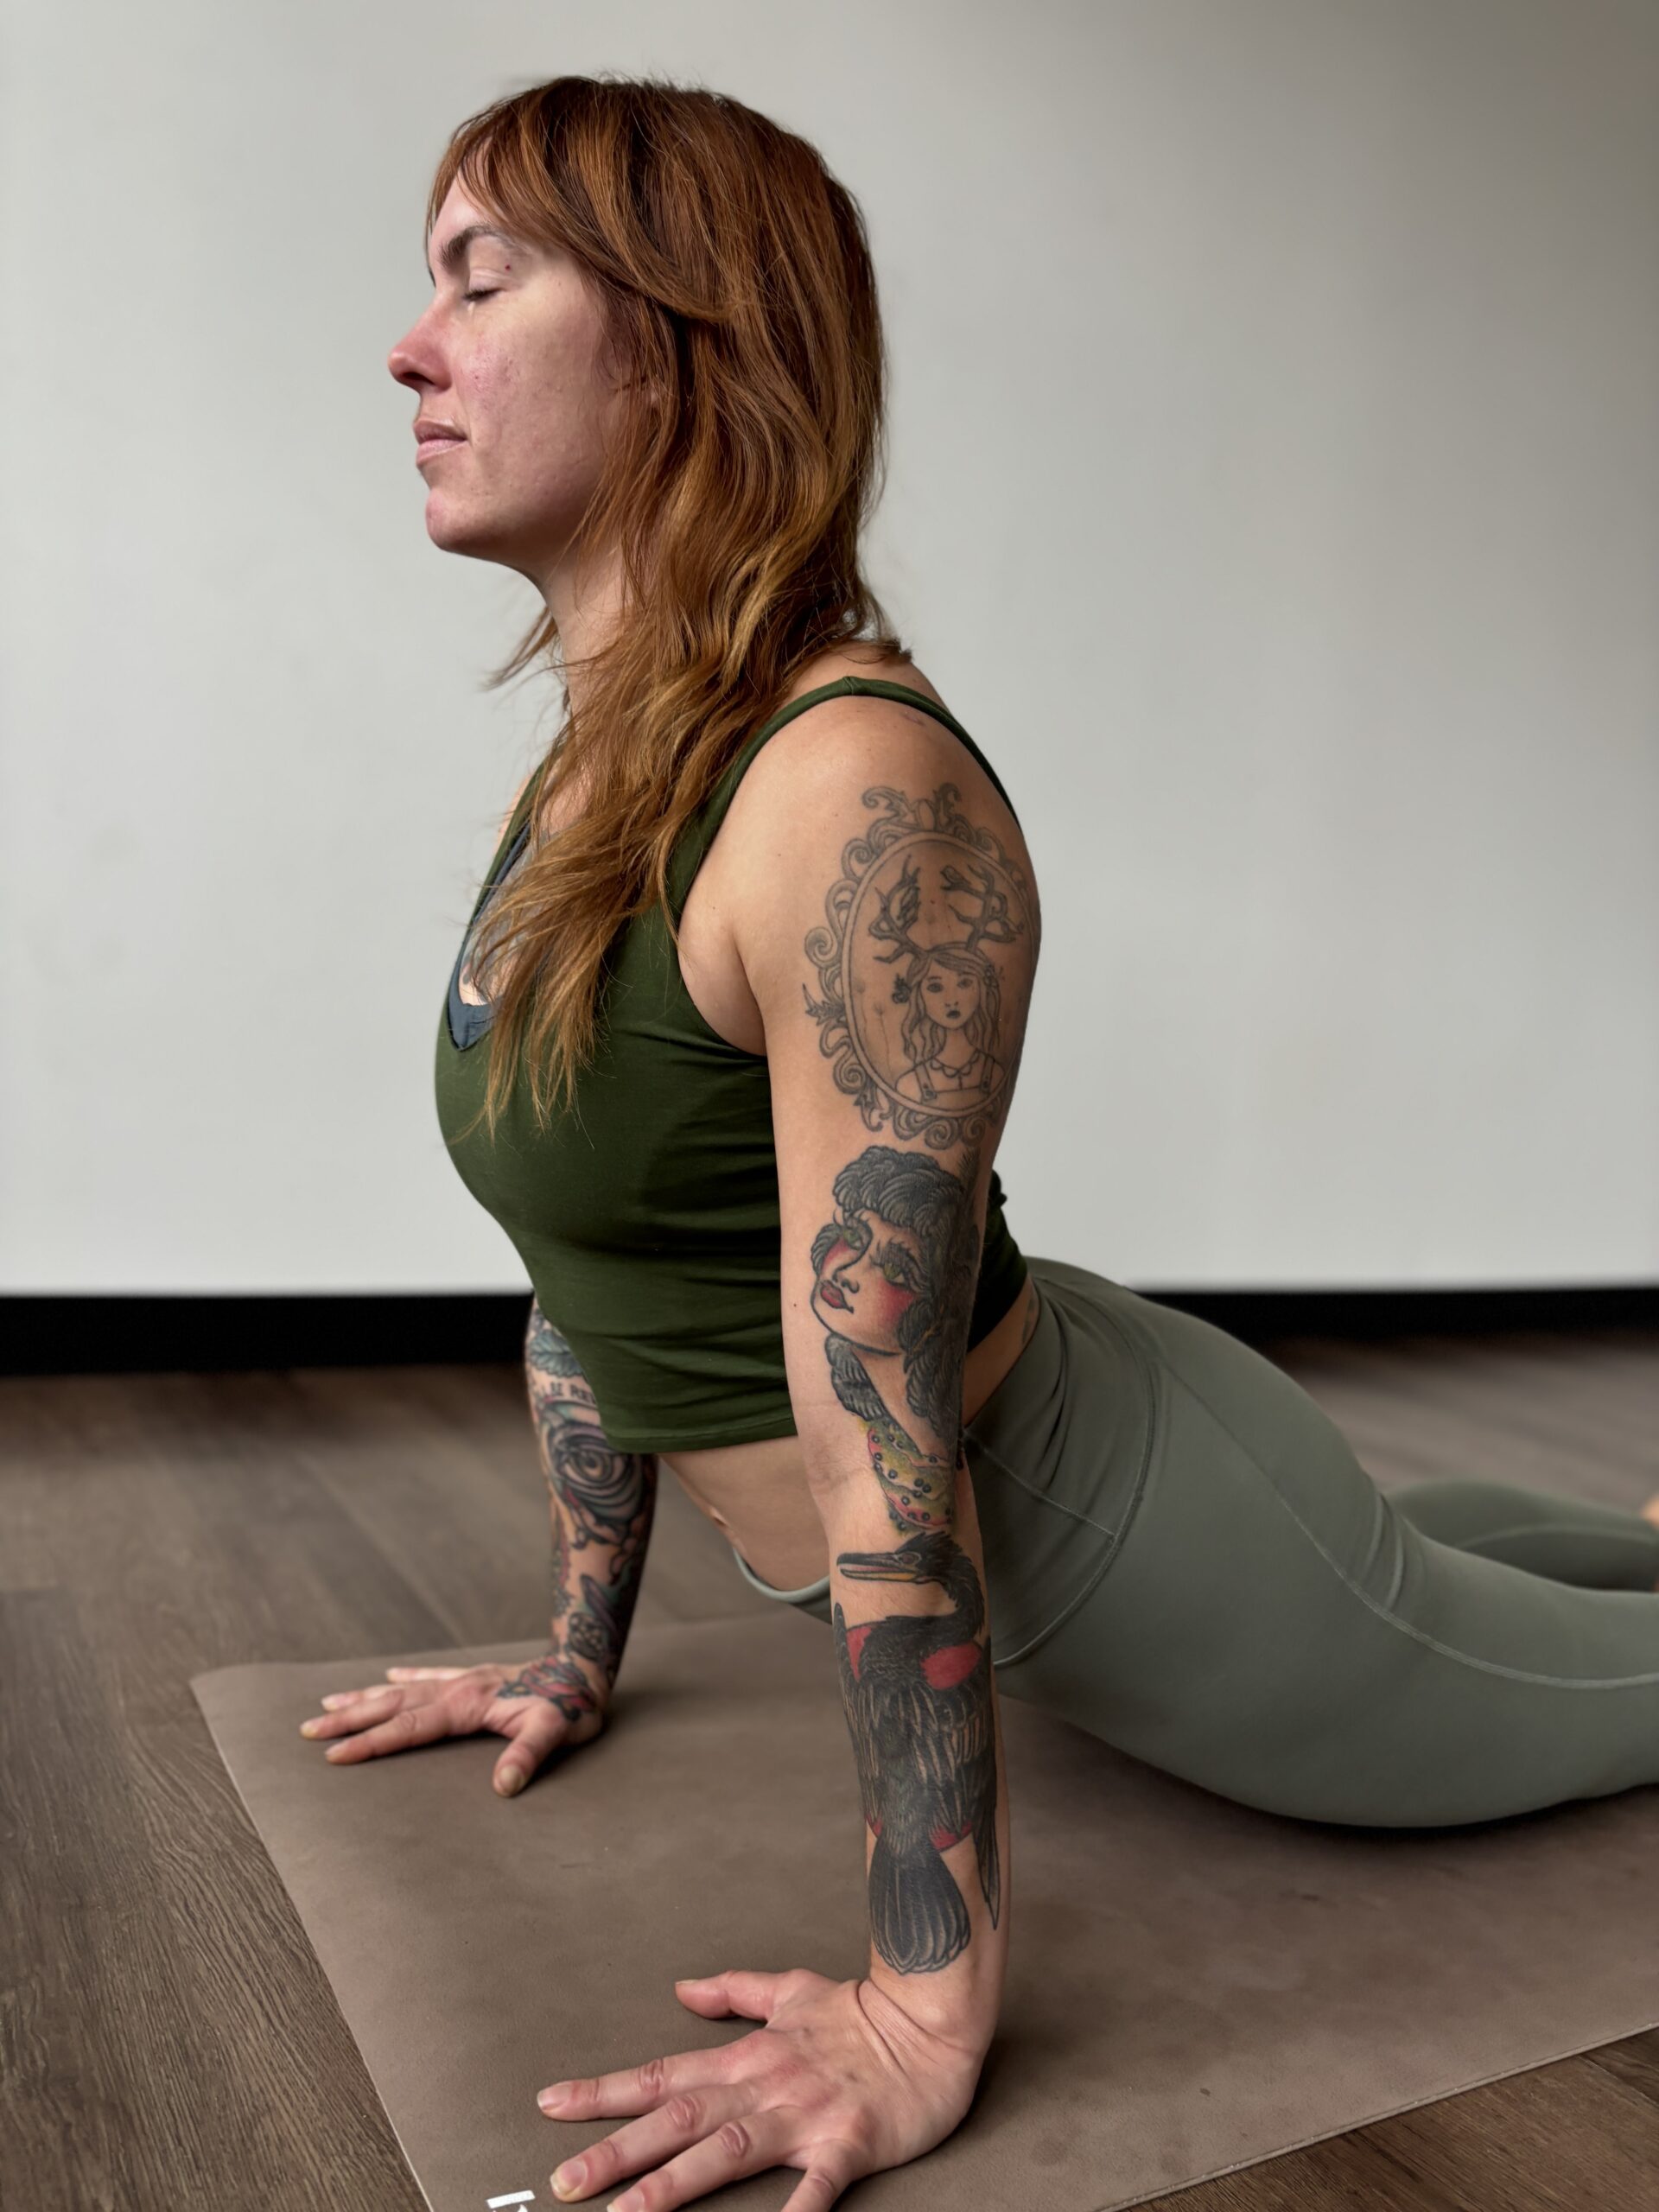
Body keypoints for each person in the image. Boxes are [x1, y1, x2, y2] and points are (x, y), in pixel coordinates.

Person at [299, 73, 1659, 2212]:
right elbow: (595, 1266)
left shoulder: (849, 793)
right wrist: (575, 1645)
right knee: (1483, 1558)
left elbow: (877, 1434)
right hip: (1111, 1437)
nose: (408, 340)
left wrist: (926, 2011)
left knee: (1559, 1670)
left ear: (680, 345)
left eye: (480, 278)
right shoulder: (592, 783)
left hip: (1168, 1560)